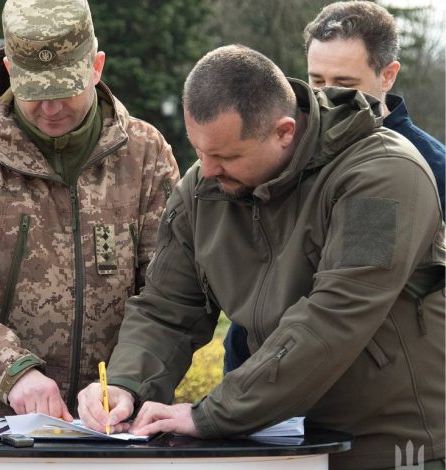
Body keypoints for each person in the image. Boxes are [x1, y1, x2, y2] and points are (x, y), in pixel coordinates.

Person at [77, 45, 444, 469]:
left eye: (227, 156)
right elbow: (166, 309)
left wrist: (211, 414)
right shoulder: (204, 189)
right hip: (278, 444)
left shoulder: (384, 179)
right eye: (199, 151)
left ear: (284, 132)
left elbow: (338, 315)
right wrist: (127, 386)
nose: (207, 171)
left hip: (391, 447)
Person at [0, 0, 179, 418]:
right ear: (11, 72)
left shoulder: (145, 153)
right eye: (36, 93)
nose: (51, 109)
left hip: (118, 424)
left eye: (65, 89)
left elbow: (168, 289)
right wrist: (11, 370)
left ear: (96, 66)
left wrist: (126, 381)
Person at [223, 0, 446, 378]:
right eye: (316, 81)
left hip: (372, 390)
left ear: (388, 75)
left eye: (345, 84)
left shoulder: (429, 169)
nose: (327, 98)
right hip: (257, 375)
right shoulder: (283, 151)